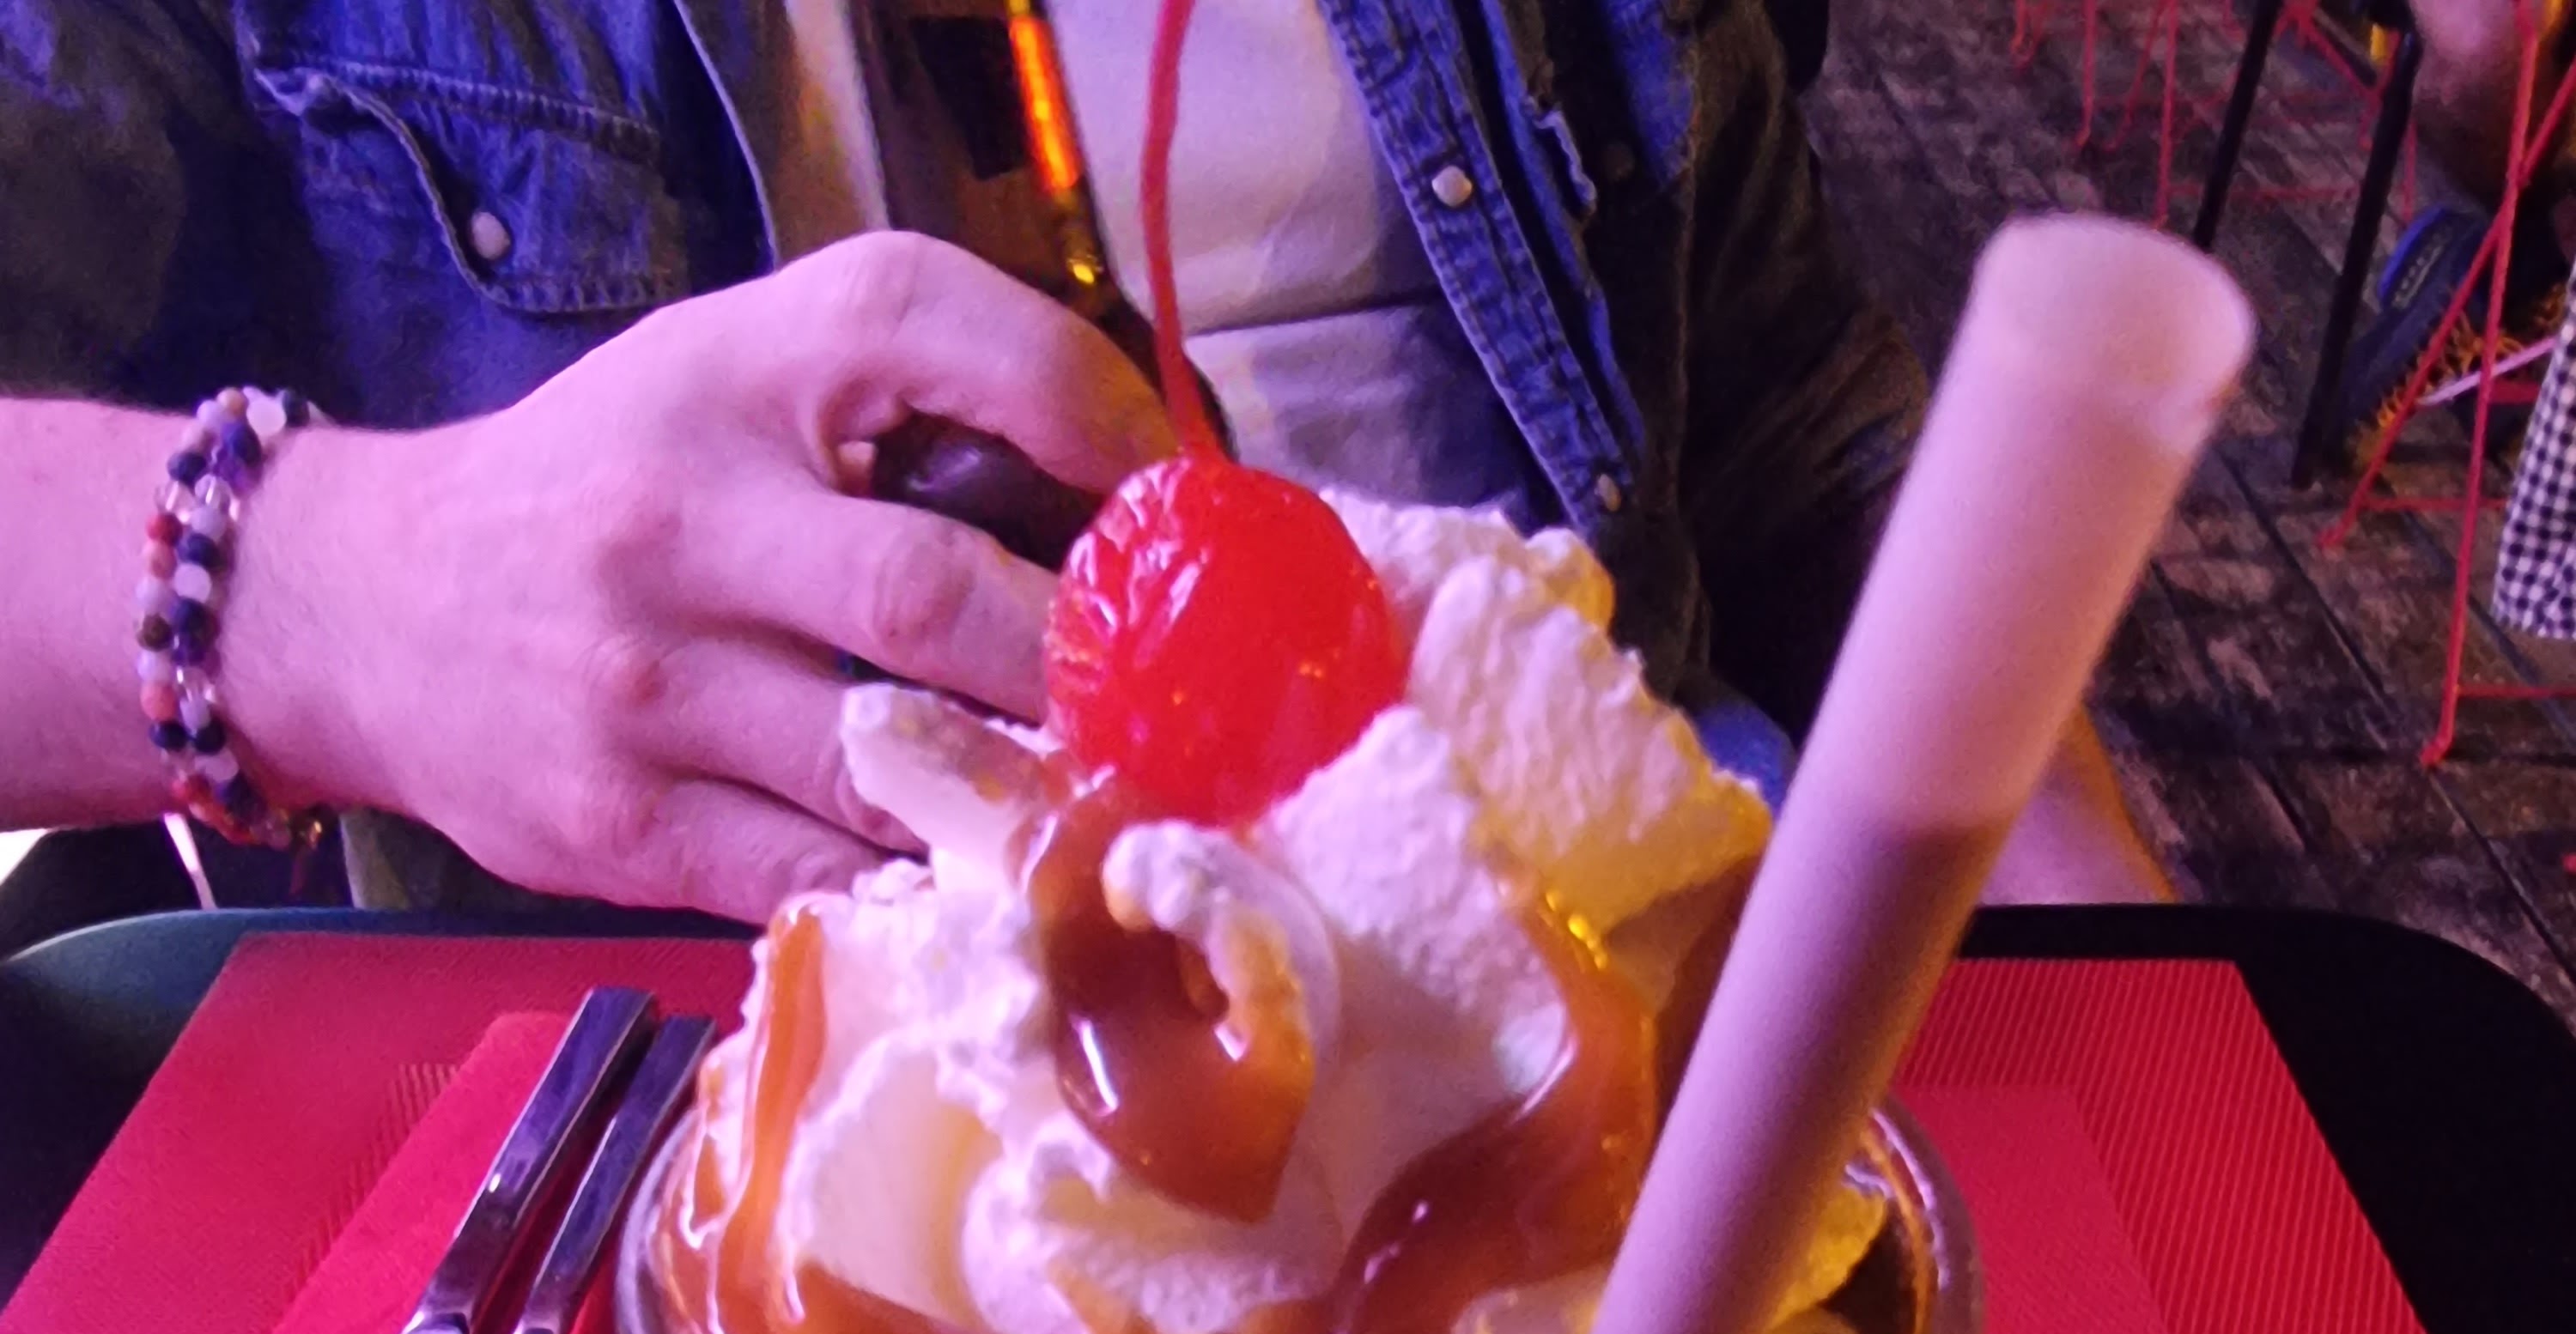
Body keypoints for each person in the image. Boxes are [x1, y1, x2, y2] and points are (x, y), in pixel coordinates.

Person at [0, 0, 2163, 919]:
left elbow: (1784, 415)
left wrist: (2160, 1054)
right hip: (697, 1121)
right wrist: (346, 590)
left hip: (1610, 996)